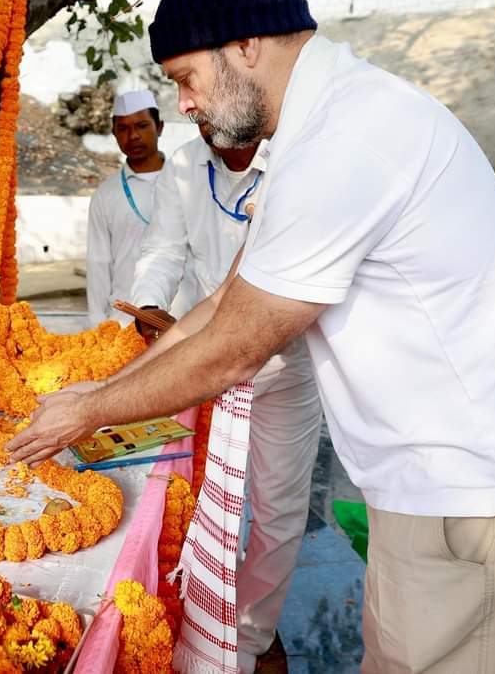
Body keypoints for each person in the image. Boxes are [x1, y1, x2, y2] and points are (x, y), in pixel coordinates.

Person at [7, 0, 495, 674]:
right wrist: (98, 392)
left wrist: (88, 411)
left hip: (474, 495)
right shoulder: (329, 119)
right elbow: (229, 295)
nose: (184, 105)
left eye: (187, 79)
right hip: (477, 481)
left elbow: (234, 346)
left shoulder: (343, 139)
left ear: (246, 45)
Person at [130, 123, 321, 670]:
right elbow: (163, 249)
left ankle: (251, 636)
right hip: (206, 360)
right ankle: (198, 613)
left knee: (280, 509)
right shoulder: (187, 166)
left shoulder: (292, 161)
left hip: (288, 360)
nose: (200, 115)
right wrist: (150, 307)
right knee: (199, 499)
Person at [86, 89, 191, 326]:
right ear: (114, 134)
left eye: (142, 125)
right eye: (123, 129)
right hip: (125, 321)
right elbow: (98, 263)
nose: (133, 135)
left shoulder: (188, 181)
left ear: (160, 127)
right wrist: (96, 325)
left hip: (184, 318)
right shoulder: (106, 194)